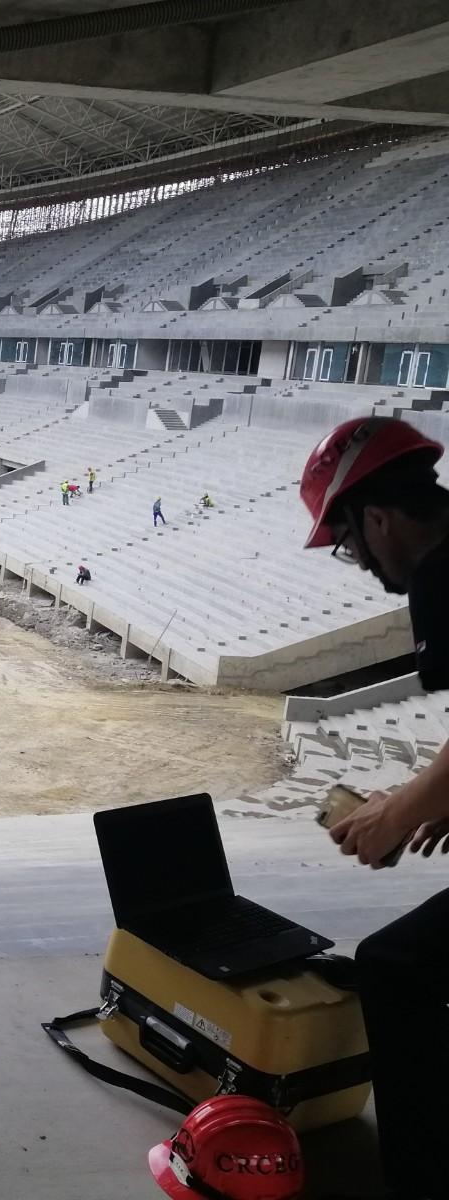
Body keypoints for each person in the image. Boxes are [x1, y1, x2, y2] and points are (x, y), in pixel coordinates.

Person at [302, 415, 449, 1200]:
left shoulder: (439, 574)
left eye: (350, 541)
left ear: (380, 517)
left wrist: (394, 817)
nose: (356, 561)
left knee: (394, 968)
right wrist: (426, 797)